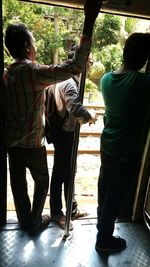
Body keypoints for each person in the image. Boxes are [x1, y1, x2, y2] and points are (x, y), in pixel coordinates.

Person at [3, 0, 102, 234]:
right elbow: (76, 66)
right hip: (33, 144)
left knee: (17, 185)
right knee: (42, 182)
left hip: (11, 144)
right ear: (28, 46)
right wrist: (88, 21)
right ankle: (35, 221)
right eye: (34, 43)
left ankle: (26, 220)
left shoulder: (7, 75)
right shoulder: (34, 72)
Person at [95, 32, 150, 253]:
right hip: (125, 152)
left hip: (107, 145)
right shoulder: (138, 81)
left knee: (104, 189)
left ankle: (102, 227)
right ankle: (104, 240)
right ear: (143, 58)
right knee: (115, 197)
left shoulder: (106, 79)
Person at [49, 48, 97, 230]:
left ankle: (71, 208)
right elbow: (75, 110)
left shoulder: (64, 79)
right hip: (65, 136)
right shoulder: (69, 82)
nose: (90, 67)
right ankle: (56, 213)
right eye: (89, 63)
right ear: (81, 64)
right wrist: (90, 116)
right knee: (61, 174)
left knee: (68, 173)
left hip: (64, 134)